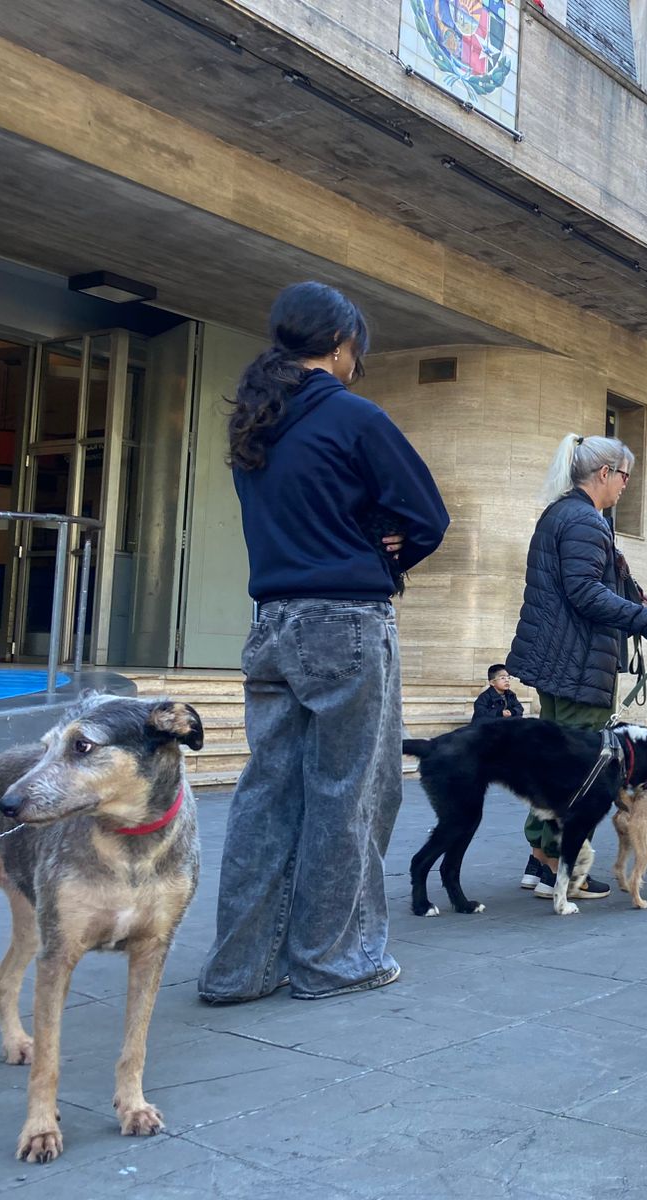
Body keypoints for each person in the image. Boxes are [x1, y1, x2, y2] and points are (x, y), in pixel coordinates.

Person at [199, 282, 449, 1005]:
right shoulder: (354, 416)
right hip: (345, 620)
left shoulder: (256, 420)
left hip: (271, 624)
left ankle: (238, 969)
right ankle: (334, 961)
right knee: (353, 794)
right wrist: (384, 549)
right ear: (341, 345)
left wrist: (366, 534)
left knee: (265, 794)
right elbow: (427, 516)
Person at [506, 433, 647, 900]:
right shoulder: (583, 520)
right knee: (584, 771)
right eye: (624, 477)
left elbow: (588, 583)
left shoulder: (565, 514)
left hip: (559, 661)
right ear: (605, 474)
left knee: (554, 765)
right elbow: (584, 591)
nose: (625, 486)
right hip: (578, 665)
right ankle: (563, 870)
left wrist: (642, 600)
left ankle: (540, 864)